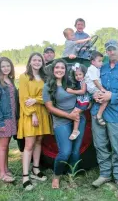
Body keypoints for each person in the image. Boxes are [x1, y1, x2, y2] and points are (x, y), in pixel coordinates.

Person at [91, 40, 118, 190]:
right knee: (100, 145)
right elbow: (92, 85)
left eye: (114, 49)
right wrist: (96, 95)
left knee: (117, 146)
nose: (111, 52)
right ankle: (104, 174)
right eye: (108, 50)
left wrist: (112, 97)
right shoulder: (100, 68)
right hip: (98, 112)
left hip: (116, 114)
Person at [43, 59, 86, 189]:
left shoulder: (72, 82)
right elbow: (50, 108)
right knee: (65, 152)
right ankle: (56, 176)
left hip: (78, 119)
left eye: (62, 68)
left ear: (65, 70)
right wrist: (69, 115)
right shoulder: (48, 86)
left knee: (75, 152)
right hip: (61, 121)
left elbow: (85, 95)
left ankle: (71, 175)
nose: (60, 70)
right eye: (57, 68)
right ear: (53, 69)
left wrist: (82, 109)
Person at [17, 52, 52, 191]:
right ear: (30, 62)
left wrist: (36, 99)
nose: (37, 62)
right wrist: (32, 114)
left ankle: (35, 170)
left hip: (42, 112)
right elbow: (23, 98)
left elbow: (48, 96)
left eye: (39, 60)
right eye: (34, 60)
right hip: (30, 113)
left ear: (42, 63)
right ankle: (25, 176)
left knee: (39, 141)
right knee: (29, 144)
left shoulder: (45, 77)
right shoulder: (24, 77)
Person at [0, 57, 18, 183]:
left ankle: (5, 169)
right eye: (3, 66)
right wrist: (0, 122)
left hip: (11, 117)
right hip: (2, 118)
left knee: (6, 146)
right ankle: (1, 174)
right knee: (2, 146)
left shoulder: (10, 80)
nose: (6, 68)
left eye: (8, 66)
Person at [66, 63, 91, 140]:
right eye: (76, 75)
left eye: (80, 74)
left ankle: (75, 130)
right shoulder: (79, 82)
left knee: (75, 113)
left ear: (84, 73)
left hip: (84, 100)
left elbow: (83, 91)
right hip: (81, 99)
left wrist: (71, 91)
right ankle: (75, 130)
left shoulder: (84, 81)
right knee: (74, 113)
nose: (78, 76)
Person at [84, 51, 108, 126]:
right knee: (105, 99)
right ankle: (99, 115)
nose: (102, 63)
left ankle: (92, 101)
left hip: (94, 88)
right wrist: (102, 89)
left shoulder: (96, 68)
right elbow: (95, 81)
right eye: (99, 61)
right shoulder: (92, 69)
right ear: (93, 62)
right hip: (93, 88)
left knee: (101, 98)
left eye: (102, 61)